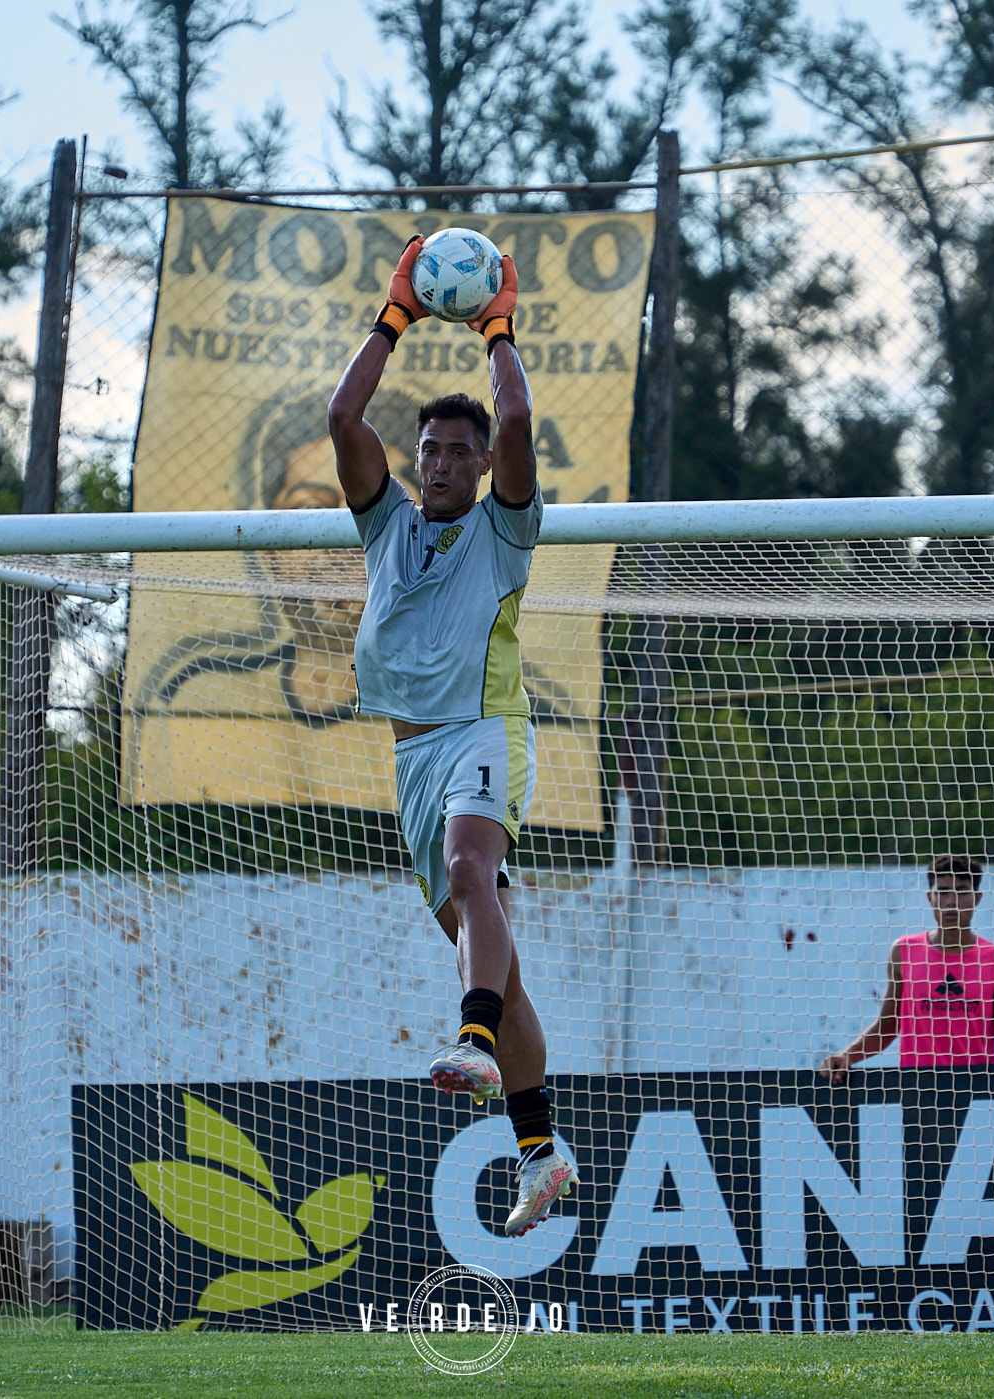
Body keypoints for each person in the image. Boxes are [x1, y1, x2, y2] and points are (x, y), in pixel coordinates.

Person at [327, 234, 577, 1236]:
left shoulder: (502, 530)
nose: (437, 462)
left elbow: (514, 412)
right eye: (427, 449)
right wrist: (393, 314)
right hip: (410, 755)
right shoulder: (384, 520)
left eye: (455, 452)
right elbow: (343, 415)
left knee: (475, 877)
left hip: (484, 726)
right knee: (498, 962)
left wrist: (495, 327)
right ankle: (539, 1149)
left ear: (481, 468)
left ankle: (467, 1041)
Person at [817, 855, 994, 1084]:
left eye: (962, 891)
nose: (952, 901)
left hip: (979, 1093)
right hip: (918, 1092)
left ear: (977, 898)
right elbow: (887, 1026)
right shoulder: (903, 952)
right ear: (930, 898)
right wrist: (847, 1055)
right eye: (943, 892)